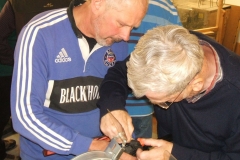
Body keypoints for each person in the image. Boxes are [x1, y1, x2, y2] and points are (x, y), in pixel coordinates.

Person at [10, 0, 148, 159]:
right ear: (97, 4)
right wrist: (89, 146)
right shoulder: (40, 32)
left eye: (132, 27)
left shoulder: (116, 41)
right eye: (122, 23)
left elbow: (113, 92)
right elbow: (25, 117)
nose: (126, 36)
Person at [98, 25, 240, 160]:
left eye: (163, 102)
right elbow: (119, 74)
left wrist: (176, 155)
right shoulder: (169, 46)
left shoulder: (235, 96)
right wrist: (112, 107)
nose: (154, 106)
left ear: (196, 85)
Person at [126, 0, 182, 138]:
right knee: (142, 148)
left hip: (111, 98)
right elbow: (180, 46)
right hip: (146, 100)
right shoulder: (168, 7)